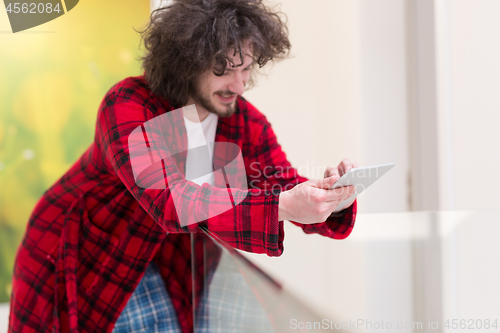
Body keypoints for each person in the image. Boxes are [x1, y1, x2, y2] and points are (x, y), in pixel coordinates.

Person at [8, 0, 359, 332]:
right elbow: (170, 199)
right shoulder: (128, 106)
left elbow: (281, 183)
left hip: (172, 258)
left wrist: (330, 197)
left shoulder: (242, 120)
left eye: (247, 69)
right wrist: (283, 205)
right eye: (223, 69)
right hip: (85, 254)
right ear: (188, 60)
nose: (238, 85)